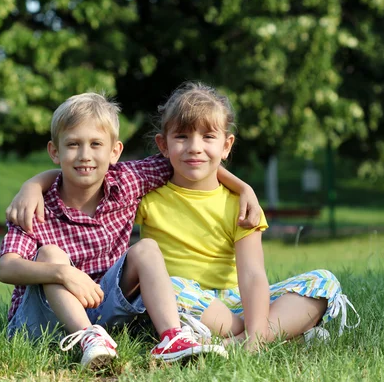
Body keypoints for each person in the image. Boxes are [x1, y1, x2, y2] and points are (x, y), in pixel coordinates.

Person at [0, 92, 261, 369]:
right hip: (43, 319)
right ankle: (86, 337)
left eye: (96, 144)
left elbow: (192, 161)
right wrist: (63, 273)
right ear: (55, 152)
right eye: (73, 145)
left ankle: (173, 338)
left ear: (115, 152)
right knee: (51, 253)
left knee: (146, 249)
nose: (85, 155)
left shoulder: (127, 182)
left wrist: (244, 187)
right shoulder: (33, 207)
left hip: (105, 306)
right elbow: (7, 268)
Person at [135, 81, 359, 350]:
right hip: (182, 303)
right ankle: (283, 331)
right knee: (166, 287)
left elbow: (253, 275)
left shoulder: (241, 204)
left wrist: (254, 326)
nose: (194, 147)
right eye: (181, 137)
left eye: (208, 137)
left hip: (234, 304)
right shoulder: (148, 198)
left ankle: (248, 340)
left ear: (226, 145)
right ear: (163, 144)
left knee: (324, 282)